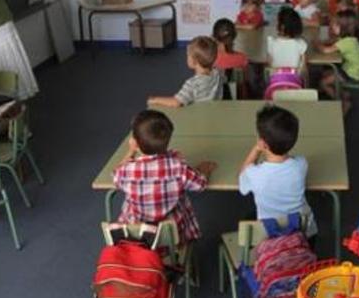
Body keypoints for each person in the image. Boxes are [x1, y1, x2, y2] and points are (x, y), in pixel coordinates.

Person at [113, 110, 217, 244]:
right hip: (171, 238)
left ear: (135, 143)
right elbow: (201, 185)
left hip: (137, 238)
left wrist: (131, 151)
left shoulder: (126, 171)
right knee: (181, 204)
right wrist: (202, 170)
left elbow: (116, 176)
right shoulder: (178, 167)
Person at [239, 106, 317, 238]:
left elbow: (243, 178)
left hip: (269, 235)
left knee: (249, 219)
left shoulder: (254, 174)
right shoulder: (301, 165)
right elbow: (293, 160)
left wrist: (256, 150)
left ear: (263, 143)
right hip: (302, 231)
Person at [148, 36, 223, 107]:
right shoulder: (217, 73)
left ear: (194, 61)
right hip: (214, 112)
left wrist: (155, 100)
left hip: (199, 116)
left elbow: (176, 102)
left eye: (188, 55)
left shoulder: (192, 83)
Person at [315, 10, 359, 109]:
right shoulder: (350, 38)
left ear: (343, 28)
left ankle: (341, 102)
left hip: (351, 74)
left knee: (322, 83)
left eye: (335, 25)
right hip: (356, 70)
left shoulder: (346, 42)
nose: (332, 27)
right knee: (326, 73)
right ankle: (343, 93)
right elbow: (333, 41)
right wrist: (325, 41)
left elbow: (325, 50)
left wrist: (317, 43)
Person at [267, 7, 307, 73]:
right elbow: (303, 67)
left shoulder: (271, 42)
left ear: (281, 26)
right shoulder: (301, 43)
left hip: (276, 81)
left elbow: (269, 63)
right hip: (295, 81)